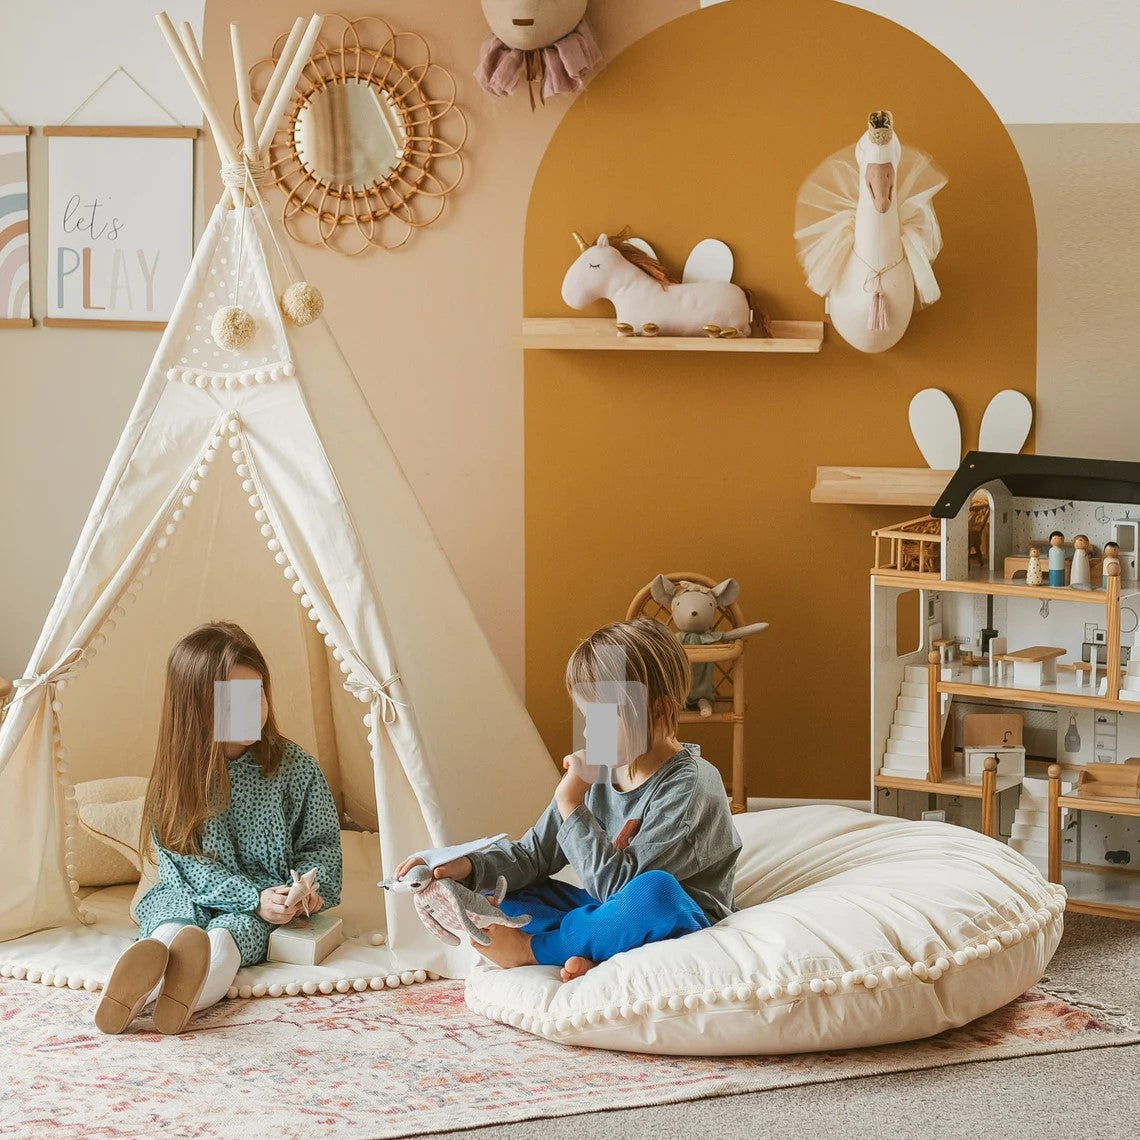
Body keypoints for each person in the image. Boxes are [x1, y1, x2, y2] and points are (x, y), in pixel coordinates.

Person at [394, 617, 742, 982]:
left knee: (654, 891)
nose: (592, 730)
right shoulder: (603, 770)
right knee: (502, 888)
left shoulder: (691, 785)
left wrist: (570, 801)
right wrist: (467, 867)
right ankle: (587, 946)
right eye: (587, 716)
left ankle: (531, 950)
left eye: (605, 716)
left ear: (659, 712)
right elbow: (533, 855)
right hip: (606, 911)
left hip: (673, 918)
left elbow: (623, 889)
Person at [93, 621, 342, 1035]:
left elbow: (321, 845)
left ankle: (173, 1001)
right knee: (171, 930)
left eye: (256, 694)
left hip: (263, 907)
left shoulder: (295, 768)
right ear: (196, 707)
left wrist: (307, 893)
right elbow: (185, 864)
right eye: (232, 700)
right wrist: (251, 895)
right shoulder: (177, 777)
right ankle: (133, 989)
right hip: (187, 894)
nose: (251, 709)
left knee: (226, 941)